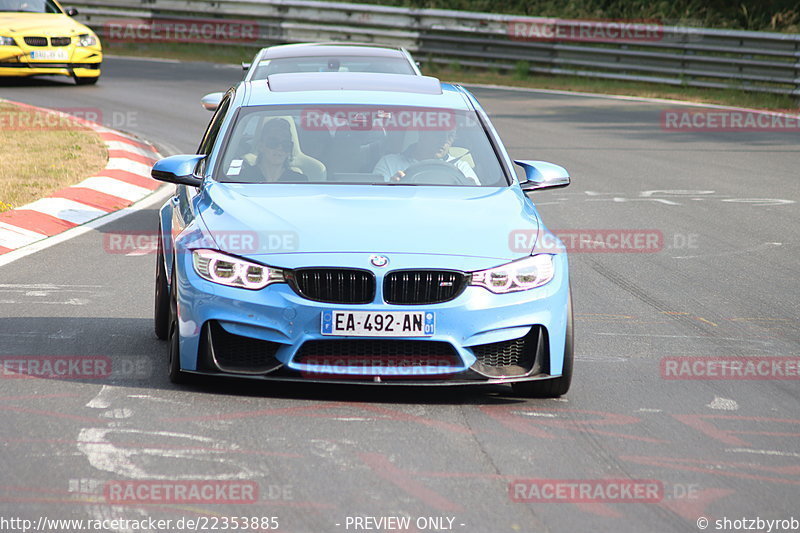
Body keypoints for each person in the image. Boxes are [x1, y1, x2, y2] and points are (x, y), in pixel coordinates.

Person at [372, 129, 479, 185]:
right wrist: (391, 188)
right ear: (422, 133)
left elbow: (478, 204)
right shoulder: (389, 163)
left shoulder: (462, 168)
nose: (444, 141)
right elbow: (375, 203)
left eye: (450, 136)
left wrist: (471, 189)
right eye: (439, 134)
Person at [236, 118, 308, 183]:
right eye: (273, 142)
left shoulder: (300, 181)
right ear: (261, 146)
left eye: (285, 144)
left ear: (290, 149)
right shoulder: (241, 179)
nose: (280, 148)